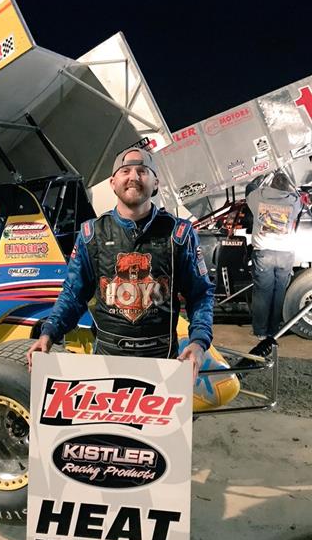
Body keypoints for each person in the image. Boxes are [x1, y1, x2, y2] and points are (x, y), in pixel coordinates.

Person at [27, 146, 215, 380]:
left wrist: (199, 342)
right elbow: (74, 294)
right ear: (113, 182)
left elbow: (200, 294)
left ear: (156, 183)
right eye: (125, 171)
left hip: (164, 365)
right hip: (106, 364)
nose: (134, 177)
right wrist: (49, 333)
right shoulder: (92, 233)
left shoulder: (179, 233)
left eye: (142, 171)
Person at [245, 170, 303, 338]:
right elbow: (298, 196)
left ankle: (260, 331)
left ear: (271, 184)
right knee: (279, 293)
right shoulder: (294, 202)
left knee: (262, 293)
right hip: (285, 254)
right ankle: (273, 330)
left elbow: (249, 188)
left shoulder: (258, 197)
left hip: (264, 252)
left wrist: (262, 175)